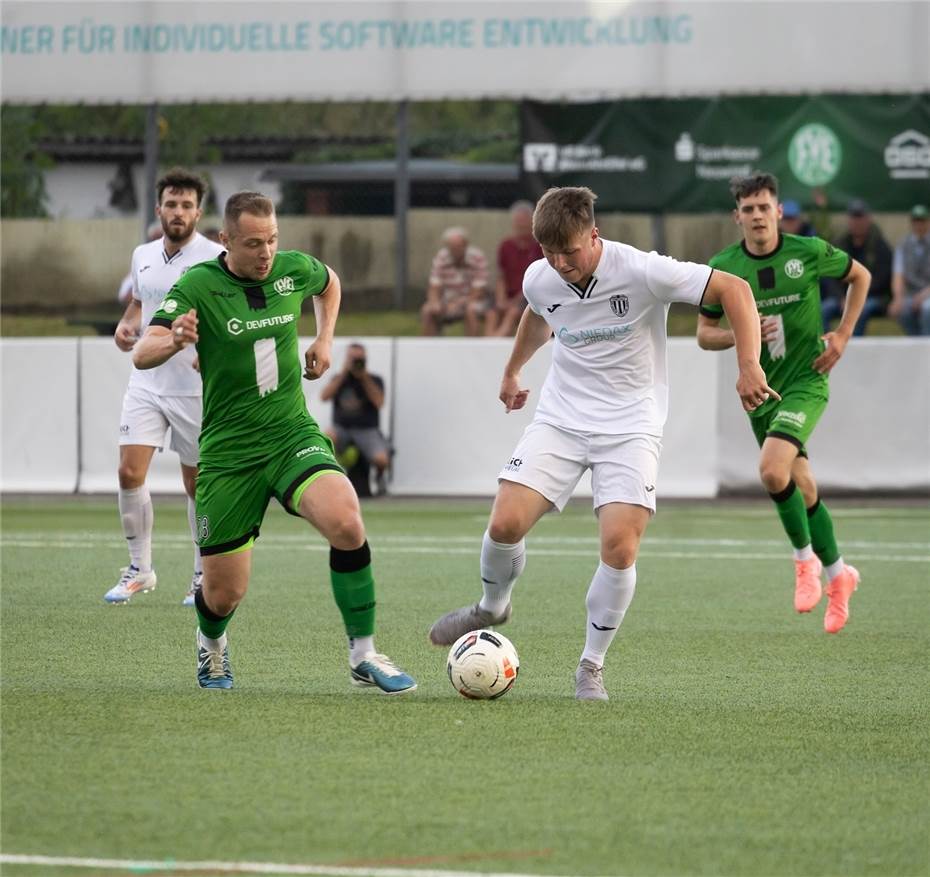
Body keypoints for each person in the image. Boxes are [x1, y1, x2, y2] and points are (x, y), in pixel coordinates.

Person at [428, 186, 774, 701]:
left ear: (595, 235)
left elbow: (736, 292)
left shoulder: (642, 270)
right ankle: (492, 605)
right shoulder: (540, 276)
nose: (560, 263)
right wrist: (513, 368)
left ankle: (590, 665)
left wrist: (749, 365)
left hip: (631, 425)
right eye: (549, 253)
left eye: (569, 251)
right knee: (504, 522)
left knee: (619, 545)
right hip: (562, 419)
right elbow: (538, 311)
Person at [133, 191, 416, 694]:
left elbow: (329, 284)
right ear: (226, 240)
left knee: (347, 522)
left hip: (290, 434)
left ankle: (363, 654)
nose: (265, 253)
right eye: (252, 244)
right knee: (223, 593)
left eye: (272, 240)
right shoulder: (198, 284)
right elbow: (143, 352)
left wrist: (325, 338)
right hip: (228, 451)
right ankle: (212, 644)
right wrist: (175, 339)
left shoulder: (291, 269)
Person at [697, 172, 871, 634]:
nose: (757, 215)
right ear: (737, 217)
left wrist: (844, 335)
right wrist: (743, 332)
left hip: (806, 381)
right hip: (760, 390)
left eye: (764, 207)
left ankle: (803, 562)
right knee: (802, 485)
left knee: (773, 470)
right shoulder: (724, 267)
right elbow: (703, 334)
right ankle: (840, 575)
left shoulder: (807, 252)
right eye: (748, 209)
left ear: (777, 211)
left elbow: (861, 276)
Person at [105, 168, 224, 606]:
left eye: (187, 205)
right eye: (171, 204)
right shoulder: (143, 254)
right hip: (147, 381)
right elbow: (139, 302)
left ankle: (200, 578)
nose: (178, 212)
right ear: (159, 209)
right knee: (128, 472)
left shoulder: (216, 256)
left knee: (197, 485)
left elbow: (225, 309)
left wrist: (209, 346)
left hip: (194, 388)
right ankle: (139, 569)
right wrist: (126, 325)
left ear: (199, 211)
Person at [320, 343, 391, 496]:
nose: (356, 362)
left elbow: (379, 402)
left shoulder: (374, 379)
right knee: (327, 437)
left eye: (360, 359)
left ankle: (379, 478)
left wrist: (364, 377)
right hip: (342, 428)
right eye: (353, 359)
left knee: (381, 459)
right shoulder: (339, 379)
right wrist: (344, 373)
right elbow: (324, 396)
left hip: (366, 430)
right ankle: (329, 479)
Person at [821, 199, 893, 336]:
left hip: (872, 297)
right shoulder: (839, 244)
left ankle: (851, 349)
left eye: (860, 217)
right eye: (854, 217)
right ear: (849, 220)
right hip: (842, 298)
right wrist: (841, 297)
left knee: (860, 311)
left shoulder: (880, 245)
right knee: (822, 310)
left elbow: (882, 280)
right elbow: (829, 277)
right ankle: (824, 350)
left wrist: (854, 297)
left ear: (868, 219)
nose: (857, 222)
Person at [484, 201, 543, 337]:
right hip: (508, 295)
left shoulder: (539, 247)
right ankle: (485, 346)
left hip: (528, 295)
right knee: (492, 313)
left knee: (512, 313)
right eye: (518, 221)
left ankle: (494, 345)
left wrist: (513, 302)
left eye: (524, 221)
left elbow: (535, 282)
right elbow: (501, 276)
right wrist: (501, 299)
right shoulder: (506, 246)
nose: (521, 225)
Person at [420, 227, 489, 336]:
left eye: (458, 247)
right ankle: (427, 349)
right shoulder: (441, 257)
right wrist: (435, 302)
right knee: (428, 310)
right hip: (446, 301)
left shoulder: (477, 257)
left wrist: (458, 304)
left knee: (471, 310)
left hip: (471, 300)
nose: (455, 251)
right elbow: (434, 286)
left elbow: (478, 291)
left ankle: (473, 349)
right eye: (452, 248)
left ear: (466, 245)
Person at [889, 204, 930, 335]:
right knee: (903, 310)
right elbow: (898, 274)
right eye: (916, 221)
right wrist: (897, 298)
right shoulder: (903, 245)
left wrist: (923, 296)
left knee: (927, 309)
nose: (919, 224)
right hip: (911, 294)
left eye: (922, 220)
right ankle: (915, 344)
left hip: (928, 293)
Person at [117, 222, 162, 305]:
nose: (158, 242)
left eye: (160, 238)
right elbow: (125, 295)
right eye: (155, 239)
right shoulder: (143, 257)